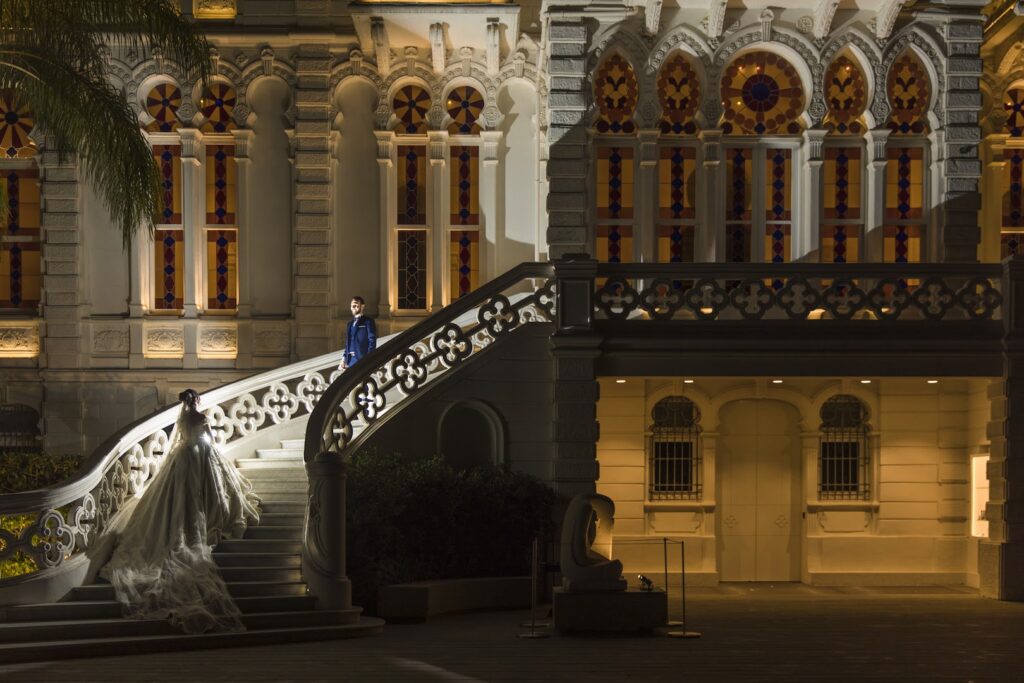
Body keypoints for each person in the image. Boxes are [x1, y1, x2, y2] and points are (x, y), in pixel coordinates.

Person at [100, 389, 261, 634]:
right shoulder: (200, 417)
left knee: (181, 496)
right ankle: (207, 517)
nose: (198, 402)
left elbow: (179, 439)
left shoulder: (183, 419)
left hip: (184, 455)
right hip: (201, 454)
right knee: (205, 492)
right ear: (194, 401)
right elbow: (210, 440)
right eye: (197, 399)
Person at [341, 296, 377, 370]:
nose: (353, 307)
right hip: (350, 361)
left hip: (361, 359)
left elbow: (372, 340)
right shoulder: (349, 324)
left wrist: (368, 358)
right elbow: (348, 343)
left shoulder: (368, 321)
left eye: (356, 305)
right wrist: (343, 359)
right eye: (352, 306)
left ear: (362, 306)